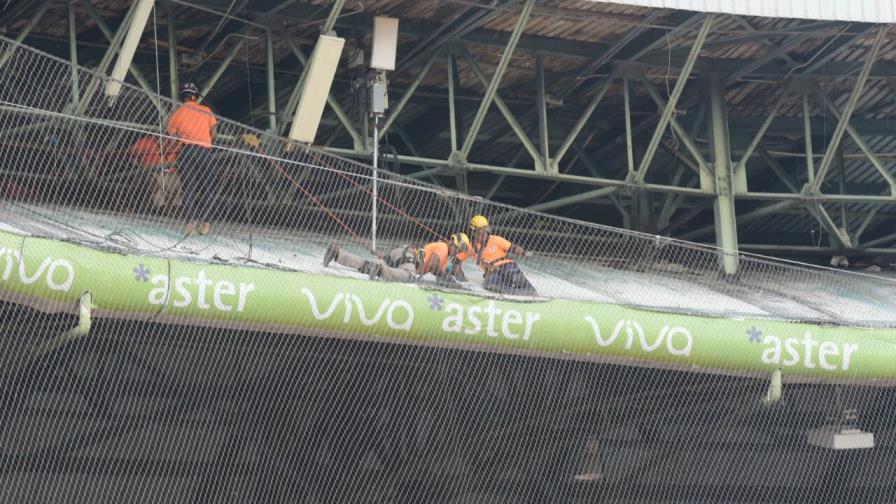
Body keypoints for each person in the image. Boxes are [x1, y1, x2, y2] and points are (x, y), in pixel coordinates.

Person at [166, 82, 217, 237]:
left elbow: (172, 136)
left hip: (187, 151)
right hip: (204, 151)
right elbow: (214, 131)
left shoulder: (178, 112)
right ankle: (206, 223)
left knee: (189, 188)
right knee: (209, 187)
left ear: (182, 98)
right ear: (195, 97)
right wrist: (208, 140)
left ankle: (190, 224)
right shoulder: (206, 111)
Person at [324, 233, 472, 286]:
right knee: (409, 276)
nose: (456, 252)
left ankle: (337, 254)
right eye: (457, 249)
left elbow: (437, 270)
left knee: (367, 266)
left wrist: (453, 281)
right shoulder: (443, 247)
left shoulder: (443, 256)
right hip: (408, 256)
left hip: (401, 253)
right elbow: (434, 266)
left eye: (458, 251)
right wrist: (447, 278)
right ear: (452, 242)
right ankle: (381, 270)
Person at [469, 214, 537, 296]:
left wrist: (524, 253)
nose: (484, 234)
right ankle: (514, 293)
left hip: (506, 266)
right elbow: (458, 257)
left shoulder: (495, 239)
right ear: (474, 232)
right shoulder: (471, 247)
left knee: (515, 277)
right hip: (492, 272)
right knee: (490, 283)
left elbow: (512, 248)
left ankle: (531, 291)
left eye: (485, 230)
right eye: (481, 231)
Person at [129, 136, 182, 212]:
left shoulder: (175, 144)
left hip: (171, 174)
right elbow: (130, 153)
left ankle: (176, 208)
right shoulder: (146, 142)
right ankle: (161, 207)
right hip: (153, 172)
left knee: (181, 183)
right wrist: (138, 165)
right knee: (152, 181)